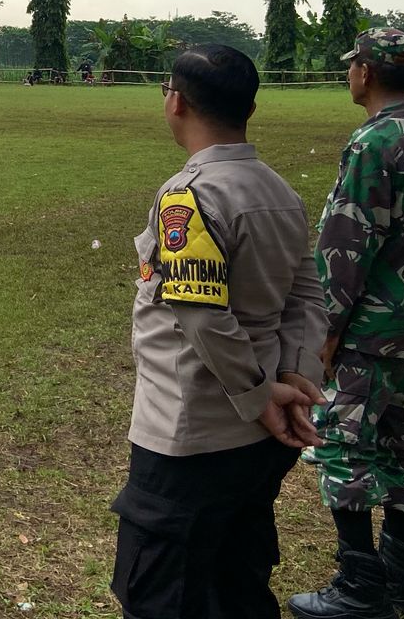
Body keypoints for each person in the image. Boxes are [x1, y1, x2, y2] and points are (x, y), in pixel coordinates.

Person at [111, 45, 326, 619]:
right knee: (237, 582)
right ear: (249, 109)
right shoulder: (280, 192)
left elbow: (202, 315)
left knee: (160, 594)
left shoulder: (189, 195)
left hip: (192, 433)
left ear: (176, 103)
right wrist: (295, 378)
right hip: (261, 440)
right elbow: (307, 295)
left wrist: (259, 397)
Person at [290, 29, 404, 619]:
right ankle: (401, 577)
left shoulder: (373, 142)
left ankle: (360, 586)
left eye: (352, 65)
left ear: (365, 71)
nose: (349, 75)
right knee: (397, 441)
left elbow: (346, 244)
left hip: (367, 328)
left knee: (341, 442)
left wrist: (326, 330)